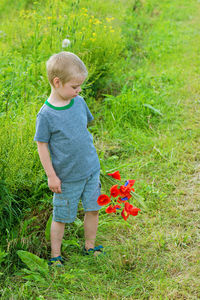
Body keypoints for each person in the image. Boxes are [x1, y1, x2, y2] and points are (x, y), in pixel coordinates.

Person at [34, 51, 103, 266]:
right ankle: (56, 256)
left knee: (93, 208)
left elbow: (83, 131)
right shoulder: (46, 115)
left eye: (80, 86)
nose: (79, 90)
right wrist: (51, 176)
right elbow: (42, 146)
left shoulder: (79, 102)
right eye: (74, 87)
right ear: (57, 82)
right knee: (61, 216)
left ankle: (90, 246)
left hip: (91, 169)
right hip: (66, 178)